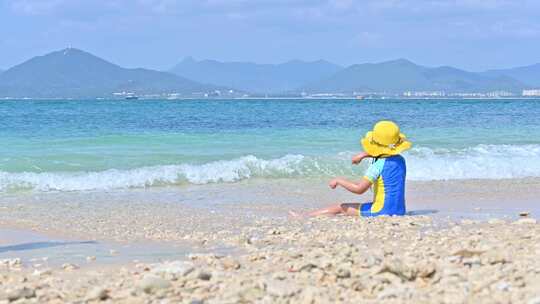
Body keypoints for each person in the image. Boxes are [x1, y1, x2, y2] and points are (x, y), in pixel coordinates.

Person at [291, 120, 412, 218]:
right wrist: (364, 155)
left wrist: (339, 180)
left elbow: (359, 189)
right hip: (400, 210)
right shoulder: (400, 160)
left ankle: (304, 216)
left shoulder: (377, 166)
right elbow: (386, 155)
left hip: (381, 211)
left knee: (341, 207)